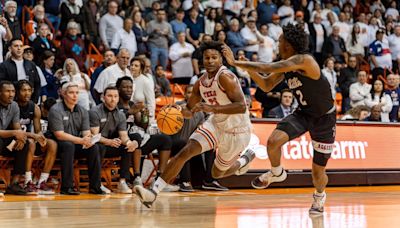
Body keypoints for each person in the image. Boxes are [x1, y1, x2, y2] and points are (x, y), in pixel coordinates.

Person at [222, 23, 336, 215]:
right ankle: (277, 173)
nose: (278, 43)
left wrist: (236, 63)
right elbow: (266, 85)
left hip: (325, 119)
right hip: (303, 113)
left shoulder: (305, 60)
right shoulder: (287, 65)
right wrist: (249, 70)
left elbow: (268, 66)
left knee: (318, 173)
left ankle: (319, 195)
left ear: (289, 44)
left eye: (280, 40)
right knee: (273, 141)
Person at [134, 41, 255, 208]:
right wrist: (177, 109)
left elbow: (242, 106)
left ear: (221, 59)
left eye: (214, 57)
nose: (210, 61)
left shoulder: (225, 77)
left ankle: (243, 161)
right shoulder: (200, 83)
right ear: (202, 60)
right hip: (216, 124)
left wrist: (212, 108)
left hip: (237, 131)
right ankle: (153, 193)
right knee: (185, 152)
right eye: (207, 58)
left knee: (216, 173)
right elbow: (190, 111)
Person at [48, 82, 103, 195]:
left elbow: (86, 132)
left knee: (94, 147)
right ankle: (67, 187)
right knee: (68, 145)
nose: (75, 96)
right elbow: (59, 135)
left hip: (76, 143)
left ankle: (95, 186)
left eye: (77, 93)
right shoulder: (55, 109)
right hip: (57, 144)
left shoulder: (82, 110)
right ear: (63, 94)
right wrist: (81, 140)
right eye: (71, 93)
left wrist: (88, 140)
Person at [89, 86, 139, 194]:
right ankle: (98, 183)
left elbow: (123, 136)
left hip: (110, 145)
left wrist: (130, 143)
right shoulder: (95, 111)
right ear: (103, 97)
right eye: (110, 96)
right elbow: (94, 136)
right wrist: (109, 142)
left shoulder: (120, 114)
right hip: (95, 145)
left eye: (115, 96)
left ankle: (122, 182)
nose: (113, 99)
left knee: (126, 147)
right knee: (99, 147)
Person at [15, 80, 57, 195]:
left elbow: (38, 130)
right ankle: (27, 181)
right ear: (17, 92)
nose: (27, 93)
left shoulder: (34, 107)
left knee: (52, 144)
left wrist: (42, 138)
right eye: (24, 90)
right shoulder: (13, 106)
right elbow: (15, 131)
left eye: (29, 90)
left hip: (29, 138)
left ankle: (42, 181)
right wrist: (34, 137)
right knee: (31, 142)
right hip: (15, 140)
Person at [0, 81, 30, 195]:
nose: (11, 94)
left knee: (24, 144)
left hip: (5, 140)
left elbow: (17, 128)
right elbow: (14, 131)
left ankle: (14, 184)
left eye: (13, 91)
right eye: (7, 91)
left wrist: (21, 138)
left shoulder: (14, 105)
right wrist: (15, 133)